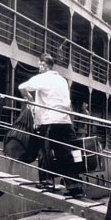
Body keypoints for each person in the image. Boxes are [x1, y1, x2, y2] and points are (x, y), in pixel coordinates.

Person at [18, 53, 82, 196]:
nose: (38, 67)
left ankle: (47, 182)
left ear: (44, 64)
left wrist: (29, 99)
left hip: (49, 121)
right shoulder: (62, 80)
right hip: (65, 121)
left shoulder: (42, 78)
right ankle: (74, 187)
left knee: (44, 152)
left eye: (39, 64)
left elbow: (22, 87)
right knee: (65, 154)